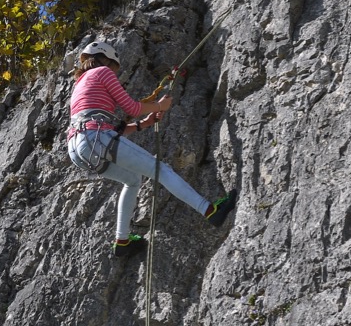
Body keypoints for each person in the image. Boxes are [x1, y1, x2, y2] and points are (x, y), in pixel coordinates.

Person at [66, 41, 237, 257]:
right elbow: (131, 107)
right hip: (95, 136)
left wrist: (142, 124)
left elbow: (105, 128)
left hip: (78, 148)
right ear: (107, 60)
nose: (115, 73)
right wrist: (159, 106)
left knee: (133, 180)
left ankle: (122, 241)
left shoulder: (80, 84)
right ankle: (210, 211)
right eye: (115, 68)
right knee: (162, 170)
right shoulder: (102, 72)